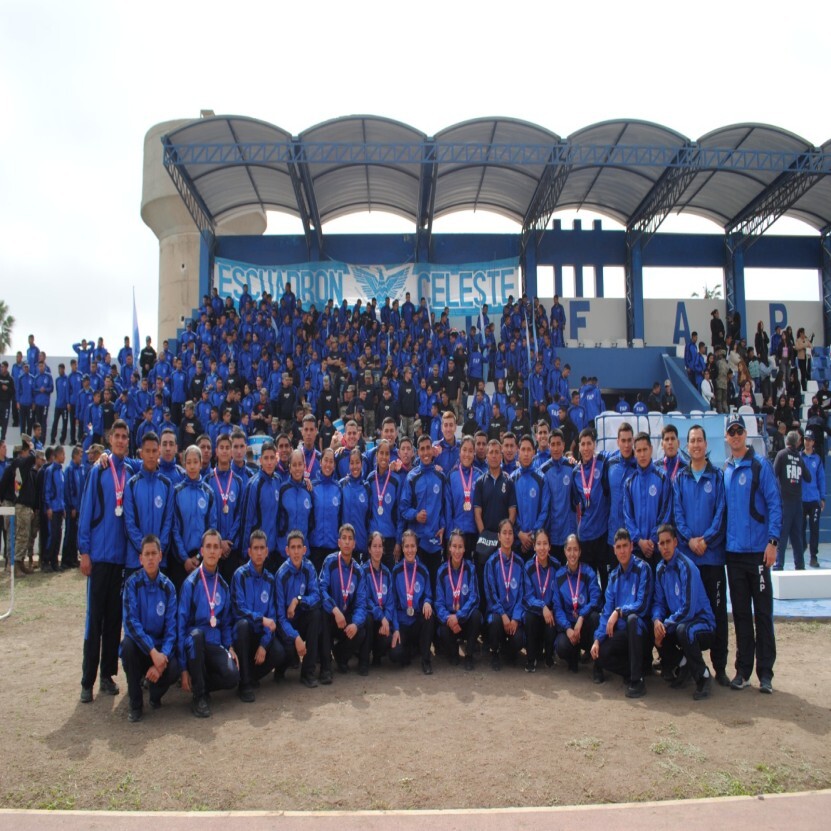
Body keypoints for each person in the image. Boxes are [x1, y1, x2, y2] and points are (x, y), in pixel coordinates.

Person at [78, 420, 140, 702]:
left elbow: (150, 463)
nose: (121, 440)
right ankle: (87, 681)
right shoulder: (99, 470)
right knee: (95, 621)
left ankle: (107, 676)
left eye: (125, 437)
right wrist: (85, 551)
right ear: (110, 439)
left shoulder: (130, 471)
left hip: (121, 559)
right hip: (100, 557)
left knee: (115, 621)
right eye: (117, 436)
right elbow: (87, 509)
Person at [723, 413, 781, 693]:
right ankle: (743, 671)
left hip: (758, 553)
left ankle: (765, 673)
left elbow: (775, 504)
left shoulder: (760, 466)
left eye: (739, 431)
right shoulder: (725, 470)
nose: (735, 436)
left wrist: (773, 542)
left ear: (746, 435)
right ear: (726, 437)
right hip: (733, 555)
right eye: (731, 432)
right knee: (741, 615)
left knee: (763, 614)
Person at [673, 424, 730, 687]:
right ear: (687, 445)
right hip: (689, 561)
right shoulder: (680, 479)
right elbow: (677, 515)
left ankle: (720, 667)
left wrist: (705, 540)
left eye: (699, 440)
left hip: (712, 558)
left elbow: (720, 513)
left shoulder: (717, 477)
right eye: (692, 440)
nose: (696, 445)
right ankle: (690, 665)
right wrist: (690, 540)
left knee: (717, 614)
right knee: (687, 613)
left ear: (706, 445)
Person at [178, 529, 240, 717]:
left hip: (215, 643)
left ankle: (201, 684)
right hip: (194, 644)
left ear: (221, 552)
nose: (212, 551)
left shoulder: (223, 586)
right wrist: (183, 668)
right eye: (208, 547)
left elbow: (226, 622)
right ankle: (199, 697)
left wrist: (229, 646)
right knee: (197, 636)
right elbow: (181, 626)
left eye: (215, 547)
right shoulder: (190, 583)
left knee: (233, 676)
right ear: (202, 551)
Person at [652, 525, 716, 701]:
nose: (665, 547)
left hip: (702, 623)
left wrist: (665, 625)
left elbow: (688, 609)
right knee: (654, 628)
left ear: (675, 542)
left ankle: (703, 676)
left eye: (668, 542)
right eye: (661, 543)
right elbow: (658, 602)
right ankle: (684, 664)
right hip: (679, 622)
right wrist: (657, 621)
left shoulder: (687, 567)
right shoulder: (660, 569)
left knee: (684, 630)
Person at [120, 534, 180, 722]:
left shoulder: (169, 588)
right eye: (147, 554)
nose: (151, 558)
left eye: (154, 553)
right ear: (140, 558)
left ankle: (155, 695)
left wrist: (161, 659)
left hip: (160, 650)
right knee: (127, 646)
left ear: (160, 556)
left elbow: (171, 630)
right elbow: (131, 623)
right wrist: (152, 652)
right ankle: (135, 704)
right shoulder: (132, 584)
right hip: (142, 648)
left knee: (175, 667)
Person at [590, 528, 654, 698]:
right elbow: (606, 613)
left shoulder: (643, 569)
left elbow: (642, 606)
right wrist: (597, 640)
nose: (622, 551)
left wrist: (619, 612)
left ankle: (637, 681)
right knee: (600, 654)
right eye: (618, 547)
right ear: (614, 550)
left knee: (632, 619)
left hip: (641, 632)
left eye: (625, 546)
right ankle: (634, 669)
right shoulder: (613, 577)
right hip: (622, 634)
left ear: (631, 546)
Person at [231, 530, 287, 703]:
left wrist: (263, 645)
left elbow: (272, 617)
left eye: (262, 548)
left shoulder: (270, 579)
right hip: (243, 636)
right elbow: (239, 610)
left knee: (279, 653)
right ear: (249, 551)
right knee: (242, 626)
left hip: (260, 634)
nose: (259, 552)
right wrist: (261, 619)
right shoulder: (240, 575)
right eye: (255, 548)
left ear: (267, 551)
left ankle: (248, 676)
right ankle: (245, 684)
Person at [318, 524, 368, 681]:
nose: (347, 542)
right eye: (344, 538)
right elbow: (321, 590)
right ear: (339, 542)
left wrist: (356, 623)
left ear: (354, 544)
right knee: (322, 615)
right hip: (332, 615)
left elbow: (361, 604)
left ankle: (341, 656)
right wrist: (334, 609)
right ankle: (326, 668)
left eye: (350, 539)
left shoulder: (358, 571)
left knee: (361, 630)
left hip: (346, 619)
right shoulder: (330, 562)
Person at [274, 530, 322, 688]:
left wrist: (298, 600)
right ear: (286, 551)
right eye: (292, 548)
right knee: (286, 652)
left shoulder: (309, 568)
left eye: (299, 547)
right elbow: (280, 617)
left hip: (302, 618)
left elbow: (316, 596)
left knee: (316, 615)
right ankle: (280, 669)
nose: (296, 552)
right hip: (286, 625)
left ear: (304, 549)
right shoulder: (281, 575)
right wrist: (296, 638)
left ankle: (308, 673)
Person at [122, 432, 174, 575]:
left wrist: (157, 552)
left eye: (154, 451)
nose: (151, 455)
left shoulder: (167, 485)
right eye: (147, 451)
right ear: (141, 453)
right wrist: (146, 552)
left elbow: (168, 522)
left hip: (160, 560)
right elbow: (129, 523)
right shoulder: (131, 485)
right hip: (135, 560)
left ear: (159, 453)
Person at [400, 434, 446, 590]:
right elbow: (403, 508)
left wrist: (443, 526)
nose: (425, 453)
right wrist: (416, 515)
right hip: (417, 544)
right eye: (422, 449)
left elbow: (445, 507)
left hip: (435, 542)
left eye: (428, 448)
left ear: (432, 451)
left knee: (434, 587)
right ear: (417, 452)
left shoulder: (440, 476)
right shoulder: (411, 477)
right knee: (416, 587)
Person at [553, 533, 602, 678]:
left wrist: (581, 616)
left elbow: (596, 599)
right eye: (569, 549)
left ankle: (597, 667)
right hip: (569, 626)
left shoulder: (588, 572)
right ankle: (573, 658)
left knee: (595, 617)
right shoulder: (559, 576)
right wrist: (567, 628)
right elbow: (557, 607)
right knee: (561, 646)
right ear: (564, 551)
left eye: (575, 549)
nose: (572, 554)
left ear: (580, 552)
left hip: (584, 625)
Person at [170, 445, 218, 590]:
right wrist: (185, 558)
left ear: (201, 463)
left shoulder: (208, 492)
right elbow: (174, 528)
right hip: (180, 561)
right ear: (184, 464)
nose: (192, 466)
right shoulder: (177, 492)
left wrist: (198, 557)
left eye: (195, 462)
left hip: (201, 559)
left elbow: (212, 527)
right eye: (189, 462)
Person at [623, 432, 671, 571]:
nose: (642, 454)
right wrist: (639, 540)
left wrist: (653, 539)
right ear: (634, 453)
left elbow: (666, 513)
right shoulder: (629, 482)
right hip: (637, 549)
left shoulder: (662, 478)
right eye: (639, 450)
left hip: (659, 547)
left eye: (645, 449)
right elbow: (628, 516)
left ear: (651, 449)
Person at [571, 428, 612, 594]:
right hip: (585, 535)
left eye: (589, 444)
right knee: (589, 582)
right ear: (579, 447)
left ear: (594, 445)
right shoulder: (575, 473)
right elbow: (575, 503)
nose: (586, 448)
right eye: (583, 444)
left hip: (602, 533)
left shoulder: (603, 463)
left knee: (606, 579)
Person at [390, 529, 435, 674]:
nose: (410, 550)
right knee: (396, 656)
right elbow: (392, 603)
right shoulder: (396, 571)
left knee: (429, 615)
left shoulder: (423, 570)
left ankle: (426, 660)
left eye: (412, 546)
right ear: (402, 548)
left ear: (417, 547)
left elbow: (428, 594)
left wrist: (427, 602)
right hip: (402, 622)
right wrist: (396, 628)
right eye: (407, 546)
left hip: (416, 621)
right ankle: (411, 649)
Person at [435, 529, 481, 671]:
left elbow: (474, 597)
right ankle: (453, 652)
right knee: (442, 628)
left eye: (460, 547)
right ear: (449, 548)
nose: (457, 551)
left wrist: (459, 616)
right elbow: (439, 603)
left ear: (464, 549)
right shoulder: (442, 571)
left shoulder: (470, 569)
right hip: (450, 621)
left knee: (476, 616)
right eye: (454, 546)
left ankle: (469, 655)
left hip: (465, 618)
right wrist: (449, 618)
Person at [484, 519, 525, 671]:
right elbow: (490, 594)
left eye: (510, 533)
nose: (507, 537)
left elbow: (522, 593)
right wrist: (503, 615)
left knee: (519, 639)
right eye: (504, 533)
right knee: (495, 623)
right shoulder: (491, 562)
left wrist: (515, 617)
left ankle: (508, 652)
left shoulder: (519, 563)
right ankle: (495, 653)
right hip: (498, 613)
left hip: (513, 615)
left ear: (514, 536)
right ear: (499, 536)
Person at [360, 531, 400, 673]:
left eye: (380, 546)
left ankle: (377, 656)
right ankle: (364, 661)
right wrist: (381, 616)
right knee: (368, 619)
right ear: (369, 549)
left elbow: (390, 601)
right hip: (371, 616)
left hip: (383, 619)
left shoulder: (387, 573)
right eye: (374, 546)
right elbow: (365, 600)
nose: (377, 550)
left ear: (383, 549)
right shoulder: (363, 571)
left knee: (397, 653)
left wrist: (387, 619)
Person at [772, 430, 811, 571]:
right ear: (797, 443)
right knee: (797, 536)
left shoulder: (781, 455)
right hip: (797, 503)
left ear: (786, 440)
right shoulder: (799, 458)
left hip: (785, 501)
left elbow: (773, 473)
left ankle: (779, 564)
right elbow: (808, 478)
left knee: (782, 535)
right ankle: (800, 565)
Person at [522, 528, 559, 672]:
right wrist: (542, 607)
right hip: (535, 611)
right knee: (529, 618)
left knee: (551, 622)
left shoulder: (556, 566)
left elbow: (559, 594)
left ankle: (549, 657)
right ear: (534, 546)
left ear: (550, 546)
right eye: (538, 544)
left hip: (550, 612)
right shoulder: (528, 567)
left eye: (545, 544)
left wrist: (550, 609)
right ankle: (531, 659)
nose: (542, 548)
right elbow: (527, 597)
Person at [511, 435, 550, 561]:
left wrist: (533, 535)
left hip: (536, 543)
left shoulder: (541, 479)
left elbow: (545, 511)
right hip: (517, 542)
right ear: (518, 452)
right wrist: (519, 534)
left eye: (529, 450)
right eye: (523, 449)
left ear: (534, 452)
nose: (526, 454)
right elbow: (510, 510)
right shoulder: (512, 479)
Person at [800, 430, 825, 568]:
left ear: (813, 442)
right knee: (801, 528)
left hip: (814, 499)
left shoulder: (817, 459)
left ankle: (813, 557)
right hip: (801, 500)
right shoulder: (798, 457)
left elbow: (821, 479)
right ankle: (803, 546)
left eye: (810, 440)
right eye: (806, 439)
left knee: (814, 529)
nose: (807, 442)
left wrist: (822, 497)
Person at [42, 445, 66, 573]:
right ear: (57, 455)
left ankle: (55, 562)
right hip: (52, 508)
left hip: (60, 508)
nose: (64, 457)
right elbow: (47, 489)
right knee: (52, 535)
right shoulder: (50, 470)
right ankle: (46, 561)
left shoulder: (61, 472)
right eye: (63, 454)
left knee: (58, 536)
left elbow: (61, 492)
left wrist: (63, 507)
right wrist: (48, 507)